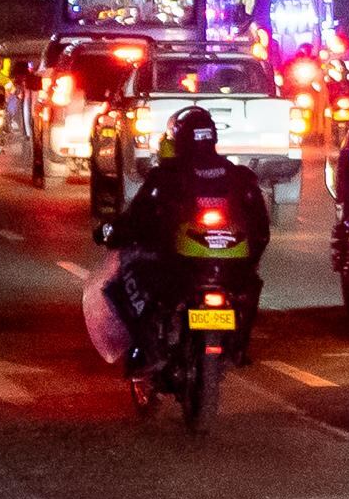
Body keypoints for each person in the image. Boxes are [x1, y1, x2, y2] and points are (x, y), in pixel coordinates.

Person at [105, 104, 273, 372]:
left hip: (178, 267)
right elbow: (260, 228)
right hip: (228, 269)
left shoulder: (166, 176)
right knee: (249, 285)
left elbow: (138, 215)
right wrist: (249, 258)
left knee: (120, 283)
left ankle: (141, 348)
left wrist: (116, 233)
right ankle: (239, 346)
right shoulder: (238, 175)